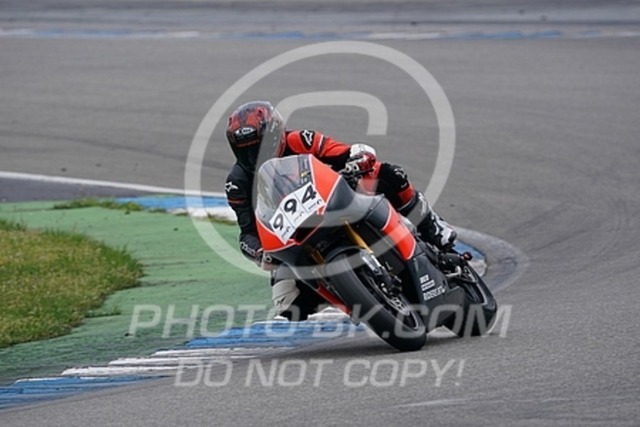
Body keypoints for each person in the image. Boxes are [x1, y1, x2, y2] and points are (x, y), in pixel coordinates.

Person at [224, 100, 457, 320]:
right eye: (246, 151)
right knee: (288, 305)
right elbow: (247, 233)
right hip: (295, 234)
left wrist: (357, 158)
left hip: (335, 199)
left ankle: (431, 226)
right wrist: (259, 252)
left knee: (389, 174)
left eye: (260, 146)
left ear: (276, 134)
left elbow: (342, 152)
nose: (254, 156)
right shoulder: (237, 183)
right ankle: (353, 294)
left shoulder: (301, 140)